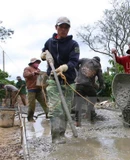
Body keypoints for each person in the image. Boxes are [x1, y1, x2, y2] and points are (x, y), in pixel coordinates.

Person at [40, 16, 80, 144]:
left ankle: (62, 134)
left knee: (65, 109)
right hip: (53, 79)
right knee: (56, 109)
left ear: (68, 29)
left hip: (68, 81)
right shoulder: (49, 42)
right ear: (56, 27)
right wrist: (43, 55)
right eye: (61, 27)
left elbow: (74, 61)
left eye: (66, 27)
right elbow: (44, 52)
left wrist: (64, 67)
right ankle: (56, 137)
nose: (63, 30)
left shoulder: (73, 44)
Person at [74, 56, 105, 127]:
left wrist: (78, 70)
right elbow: (100, 78)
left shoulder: (84, 59)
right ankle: (89, 114)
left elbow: (75, 62)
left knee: (78, 103)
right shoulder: (98, 66)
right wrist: (102, 85)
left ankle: (77, 122)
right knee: (93, 98)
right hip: (88, 86)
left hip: (78, 84)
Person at [23, 58, 49, 122]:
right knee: (32, 105)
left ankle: (48, 115)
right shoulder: (28, 68)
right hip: (31, 89)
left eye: (38, 63)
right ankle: (30, 118)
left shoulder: (38, 70)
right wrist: (33, 73)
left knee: (44, 103)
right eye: (36, 63)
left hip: (39, 89)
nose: (37, 64)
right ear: (32, 63)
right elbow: (25, 75)